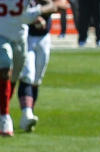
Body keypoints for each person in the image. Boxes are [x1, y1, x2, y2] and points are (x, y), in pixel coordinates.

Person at [1, 0, 63, 137]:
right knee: (12, 70)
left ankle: (15, 113)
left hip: (28, 36)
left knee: (23, 78)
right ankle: (10, 116)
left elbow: (55, 5)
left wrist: (38, 13)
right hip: (9, 35)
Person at [17, 2, 66, 132]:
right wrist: (35, 15)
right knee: (28, 74)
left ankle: (29, 115)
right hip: (25, 35)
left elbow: (59, 5)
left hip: (44, 36)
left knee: (37, 79)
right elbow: (18, 12)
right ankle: (25, 114)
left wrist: (42, 10)